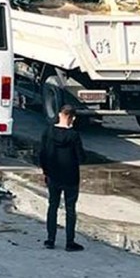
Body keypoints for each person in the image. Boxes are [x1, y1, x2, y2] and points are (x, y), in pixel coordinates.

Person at [38, 104, 85, 251]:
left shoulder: (48, 132)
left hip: (53, 175)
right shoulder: (74, 135)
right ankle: (70, 242)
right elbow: (81, 158)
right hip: (70, 177)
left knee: (53, 206)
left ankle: (50, 240)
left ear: (59, 114)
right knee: (70, 209)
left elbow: (42, 154)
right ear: (72, 118)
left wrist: (46, 171)